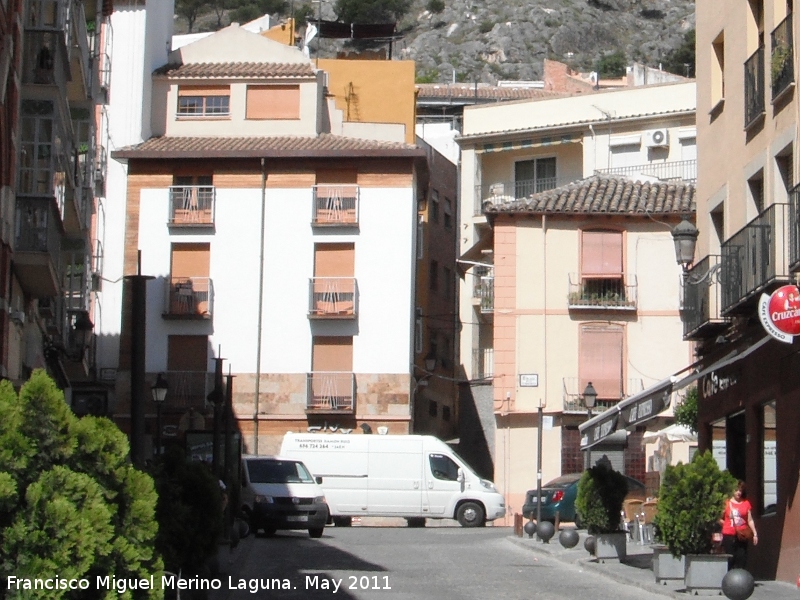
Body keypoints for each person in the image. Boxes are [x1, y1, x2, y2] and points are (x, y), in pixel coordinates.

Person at [720, 480, 758, 570]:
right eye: (736, 490)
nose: (738, 492)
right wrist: (725, 524)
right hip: (729, 534)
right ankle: (730, 578)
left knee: (742, 557)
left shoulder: (746, 504)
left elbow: (750, 520)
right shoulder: (727, 503)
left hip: (742, 534)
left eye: (740, 490)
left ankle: (740, 578)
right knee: (730, 558)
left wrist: (755, 533)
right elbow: (719, 518)